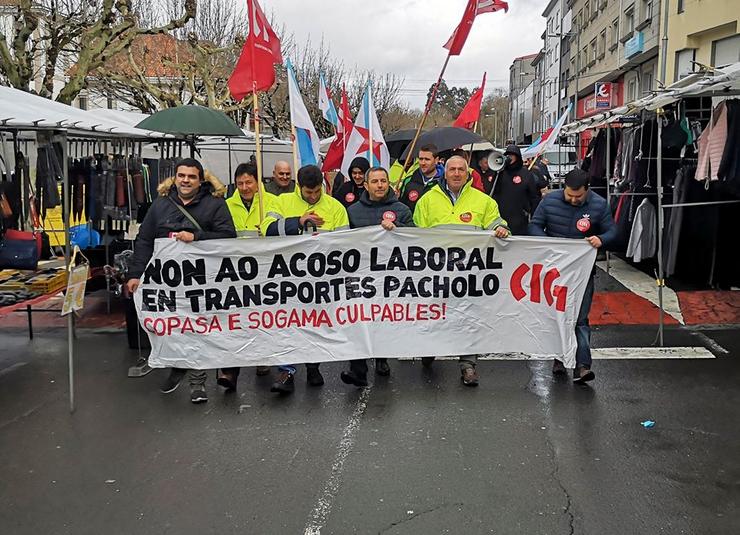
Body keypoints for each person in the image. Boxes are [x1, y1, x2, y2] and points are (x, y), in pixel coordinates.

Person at [125, 158, 236, 404]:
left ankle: (198, 383)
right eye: (181, 175)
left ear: (201, 180)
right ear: (175, 177)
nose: (185, 180)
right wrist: (135, 274)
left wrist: (197, 236)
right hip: (168, 283)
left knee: (198, 329)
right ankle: (178, 363)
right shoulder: (160, 205)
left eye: (191, 176)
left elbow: (228, 236)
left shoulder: (215, 205)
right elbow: (144, 241)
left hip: (201, 281)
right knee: (172, 326)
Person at [413, 155, 510, 387]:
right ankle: (429, 350)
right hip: (436, 274)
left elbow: (497, 223)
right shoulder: (427, 201)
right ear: (444, 172)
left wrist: (502, 228)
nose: (456, 173)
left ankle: (468, 365)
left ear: (468, 173)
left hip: (469, 276)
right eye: (452, 169)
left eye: (461, 169)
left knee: (468, 320)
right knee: (435, 316)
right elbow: (415, 236)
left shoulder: (483, 201)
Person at [263, 164, 350, 394]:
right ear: (299, 187)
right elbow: (267, 230)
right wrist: (298, 222)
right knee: (288, 323)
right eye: (308, 192)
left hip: (321, 279)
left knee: (316, 323)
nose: (312, 196)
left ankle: (313, 365)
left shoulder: (335, 207)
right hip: (289, 278)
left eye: (316, 191)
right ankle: (286, 371)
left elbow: (347, 242)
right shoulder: (281, 203)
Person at [528, 168, 617, 384]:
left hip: (582, 273)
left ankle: (583, 365)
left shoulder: (598, 204)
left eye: (578, 196)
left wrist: (601, 239)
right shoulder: (549, 201)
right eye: (569, 195)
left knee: (580, 318)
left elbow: (613, 231)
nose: (573, 199)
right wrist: (548, 242)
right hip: (555, 272)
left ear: (587, 190)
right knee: (557, 316)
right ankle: (559, 358)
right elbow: (534, 226)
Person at [340, 166, 414, 387]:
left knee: (383, 318)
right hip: (361, 276)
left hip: (391, 276)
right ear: (366, 185)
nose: (380, 185)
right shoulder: (353, 211)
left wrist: (398, 227)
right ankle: (358, 370)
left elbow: (416, 237)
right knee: (359, 319)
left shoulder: (401, 209)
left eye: (383, 181)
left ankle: (382, 358)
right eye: (375, 181)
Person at [220, 162, 279, 389]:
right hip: (234, 272)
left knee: (262, 317)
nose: (244, 187)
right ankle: (229, 371)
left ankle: (263, 357)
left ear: (258, 182)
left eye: (248, 182)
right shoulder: (226, 205)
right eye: (240, 183)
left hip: (265, 270)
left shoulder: (272, 203)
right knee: (234, 320)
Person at [491, 145, 542, 235]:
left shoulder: (526, 174)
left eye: (512, 155)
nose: (509, 157)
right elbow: (493, 193)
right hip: (501, 215)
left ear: (517, 157)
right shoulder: (500, 173)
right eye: (508, 155)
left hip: (519, 216)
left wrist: (532, 215)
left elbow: (534, 196)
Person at [399, 144, 444, 213]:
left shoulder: (444, 182)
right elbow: (402, 208)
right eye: (421, 159)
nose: (423, 163)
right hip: (412, 223)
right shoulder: (409, 180)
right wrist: (396, 198)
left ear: (436, 160)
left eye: (427, 159)